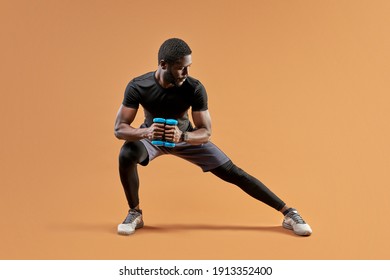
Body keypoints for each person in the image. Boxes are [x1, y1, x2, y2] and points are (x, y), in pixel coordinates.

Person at [114, 38, 312, 236]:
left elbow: (205, 132)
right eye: (180, 68)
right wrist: (146, 132)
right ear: (163, 65)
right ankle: (135, 212)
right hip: (152, 139)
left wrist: (183, 136)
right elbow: (119, 129)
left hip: (184, 138)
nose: (186, 73)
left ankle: (289, 213)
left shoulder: (194, 88)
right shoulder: (138, 86)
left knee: (234, 173)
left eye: (188, 67)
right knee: (127, 153)